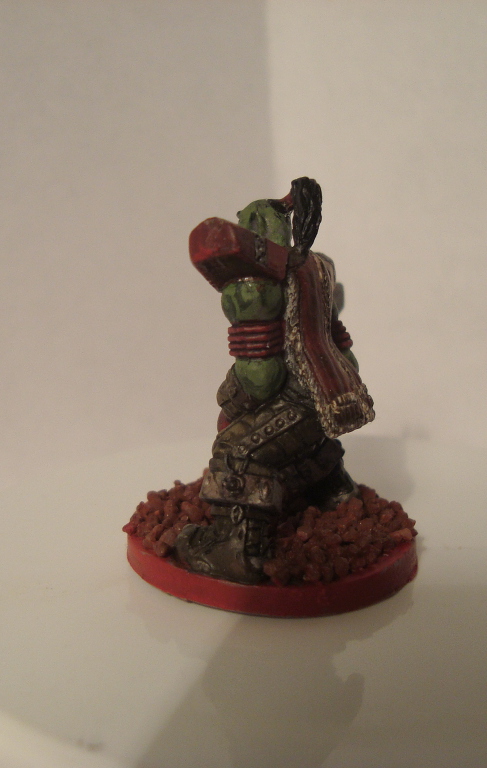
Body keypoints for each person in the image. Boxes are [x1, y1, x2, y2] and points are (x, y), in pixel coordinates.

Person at [176, 177, 375, 583]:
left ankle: (237, 549)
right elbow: (341, 345)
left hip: (301, 396)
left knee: (236, 449)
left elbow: (261, 379)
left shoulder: (256, 286)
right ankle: (333, 491)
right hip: (339, 391)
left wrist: (231, 399)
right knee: (295, 434)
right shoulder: (320, 266)